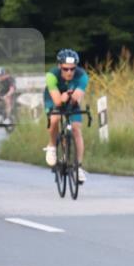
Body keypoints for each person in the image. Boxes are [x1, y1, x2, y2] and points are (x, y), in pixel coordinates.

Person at [43, 49, 89, 184]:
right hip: (53, 98)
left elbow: (78, 96)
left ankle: (78, 167)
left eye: (72, 69)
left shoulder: (82, 76)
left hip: (70, 98)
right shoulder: (51, 76)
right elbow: (57, 101)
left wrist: (73, 98)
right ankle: (52, 146)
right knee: (55, 118)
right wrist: (63, 99)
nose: (69, 72)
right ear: (59, 66)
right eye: (65, 69)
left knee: (76, 129)